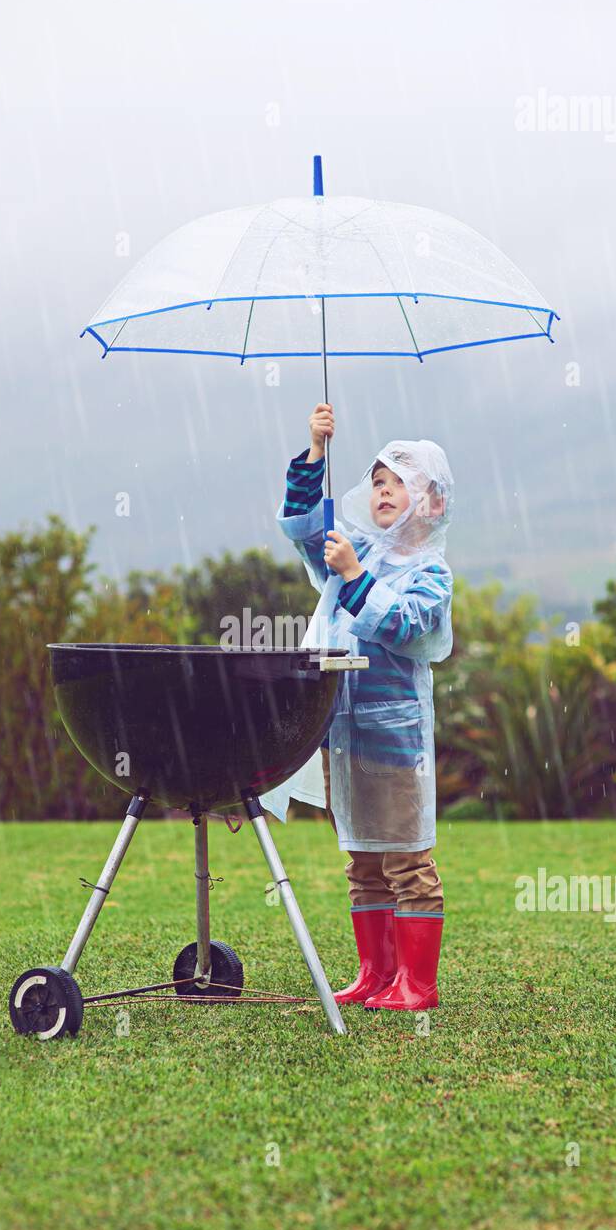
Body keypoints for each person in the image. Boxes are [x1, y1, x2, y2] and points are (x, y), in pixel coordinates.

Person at [260, 403, 454, 1012]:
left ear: (434, 503)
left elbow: (405, 625)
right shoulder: (356, 552)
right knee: (362, 859)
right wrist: (314, 452)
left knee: (405, 858)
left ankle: (418, 985)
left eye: (399, 482)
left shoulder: (431, 572)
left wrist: (354, 578)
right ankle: (377, 974)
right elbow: (301, 524)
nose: (383, 492)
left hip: (392, 739)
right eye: (376, 483)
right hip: (342, 733)